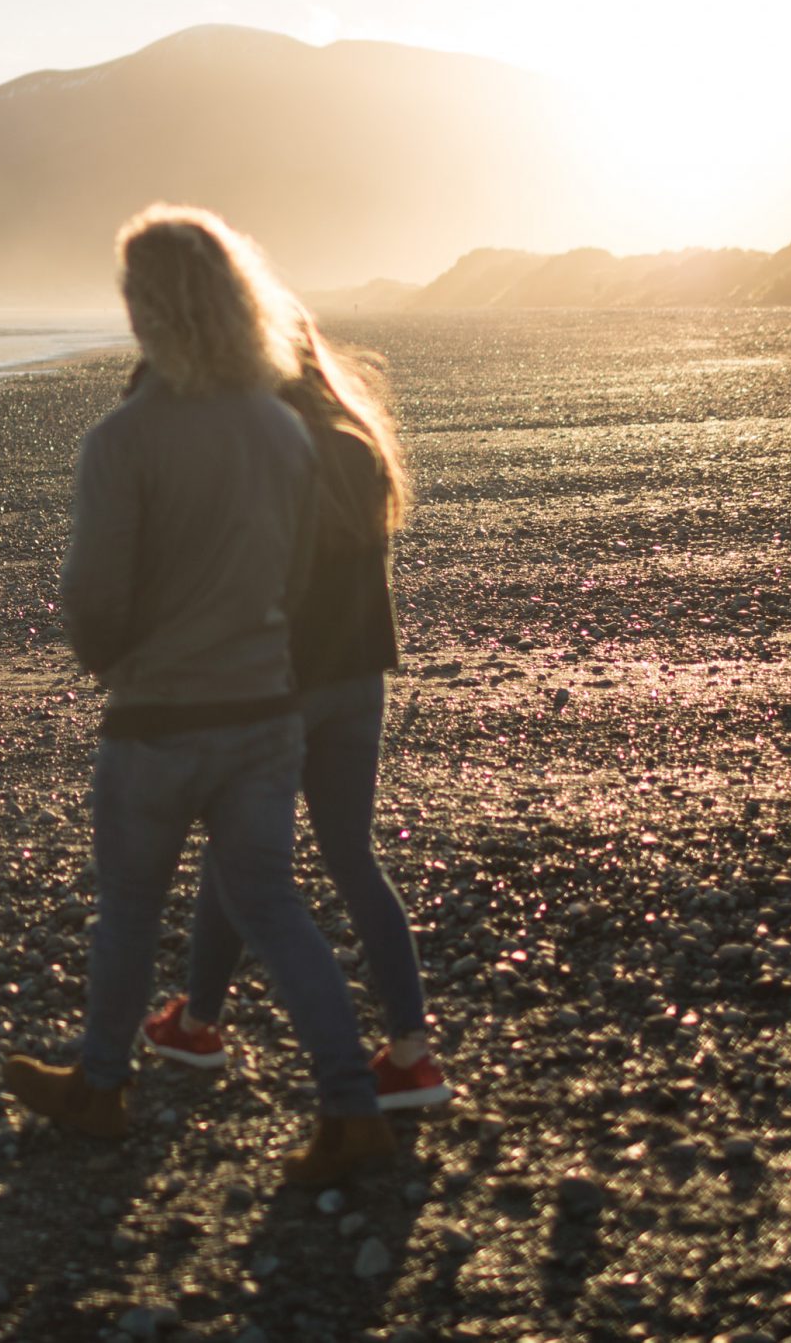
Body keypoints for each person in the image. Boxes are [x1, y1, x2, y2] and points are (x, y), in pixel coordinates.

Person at [2, 203, 392, 1189]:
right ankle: (350, 1107)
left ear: (149, 312)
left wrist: (111, 660)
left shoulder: (123, 440)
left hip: (161, 719)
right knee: (274, 907)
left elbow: (95, 595)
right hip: (262, 712)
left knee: (129, 911)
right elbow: (297, 582)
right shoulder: (283, 430)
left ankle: (100, 1089)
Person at [137, 314, 451, 1110]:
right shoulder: (358, 441)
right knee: (352, 861)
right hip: (356, 683)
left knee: (241, 858)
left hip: (278, 687)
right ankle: (411, 1053)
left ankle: (201, 1025)